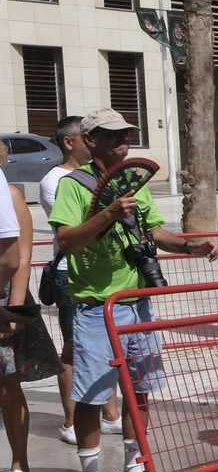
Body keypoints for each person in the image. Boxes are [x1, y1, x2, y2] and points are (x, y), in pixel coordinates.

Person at [50, 109, 218, 472]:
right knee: (92, 395)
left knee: (139, 390)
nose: (123, 142)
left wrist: (187, 246)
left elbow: (154, 232)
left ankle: (133, 471)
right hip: (96, 308)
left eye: (126, 134)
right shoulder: (74, 186)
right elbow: (67, 241)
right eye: (113, 136)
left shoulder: (134, 181)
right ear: (90, 140)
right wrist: (108, 213)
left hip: (138, 305)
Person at [40, 115, 120, 445]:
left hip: (104, 276)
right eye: (85, 137)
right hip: (68, 274)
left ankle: (110, 415)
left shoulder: (99, 176)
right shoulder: (57, 181)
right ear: (69, 142)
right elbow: (76, 227)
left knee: (108, 345)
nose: (92, 143)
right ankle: (72, 421)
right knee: (75, 348)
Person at [0, 154, 63, 472]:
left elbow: (21, 258)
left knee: (8, 388)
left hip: (4, 297)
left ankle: (19, 465)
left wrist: (13, 310)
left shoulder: (10, 196)